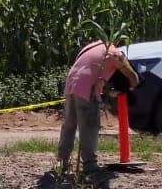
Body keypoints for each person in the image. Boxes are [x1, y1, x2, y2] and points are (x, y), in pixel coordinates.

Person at [58, 40, 138, 176]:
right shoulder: (113, 52)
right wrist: (132, 84)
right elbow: (132, 77)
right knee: (90, 127)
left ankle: (61, 164)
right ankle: (90, 166)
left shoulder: (90, 47)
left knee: (69, 126)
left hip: (71, 85)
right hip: (88, 89)